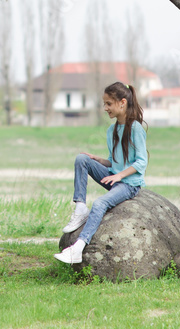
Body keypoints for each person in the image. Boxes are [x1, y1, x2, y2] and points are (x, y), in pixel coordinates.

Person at [54, 81, 147, 264]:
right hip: (115, 178)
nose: (105, 108)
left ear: (122, 102)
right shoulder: (112, 130)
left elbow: (141, 162)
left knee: (99, 204)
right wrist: (98, 160)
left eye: (108, 104)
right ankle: (80, 208)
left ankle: (78, 248)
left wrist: (119, 176)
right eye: (104, 104)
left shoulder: (136, 128)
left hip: (129, 185)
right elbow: (115, 162)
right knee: (82, 159)